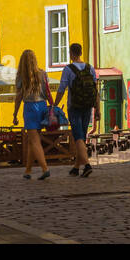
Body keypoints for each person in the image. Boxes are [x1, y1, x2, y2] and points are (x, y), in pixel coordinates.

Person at [54, 42, 99, 177]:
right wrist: (97, 109)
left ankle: (87, 165)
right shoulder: (90, 68)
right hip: (88, 106)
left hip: (74, 106)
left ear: (71, 54)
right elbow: (95, 91)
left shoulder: (68, 69)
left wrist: (55, 104)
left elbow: (61, 89)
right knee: (82, 136)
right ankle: (76, 167)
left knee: (78, 136)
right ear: (80, 52)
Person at [10, 49, 51, 180]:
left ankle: (45, 168)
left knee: (34, 140)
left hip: (30, 107)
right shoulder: (43, 73)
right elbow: (48, 92)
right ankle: (28, 170)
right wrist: (53, 107)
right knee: (32, 141)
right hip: (43, 106)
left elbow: (18, 96)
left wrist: (15, 114)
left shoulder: (21, 76)